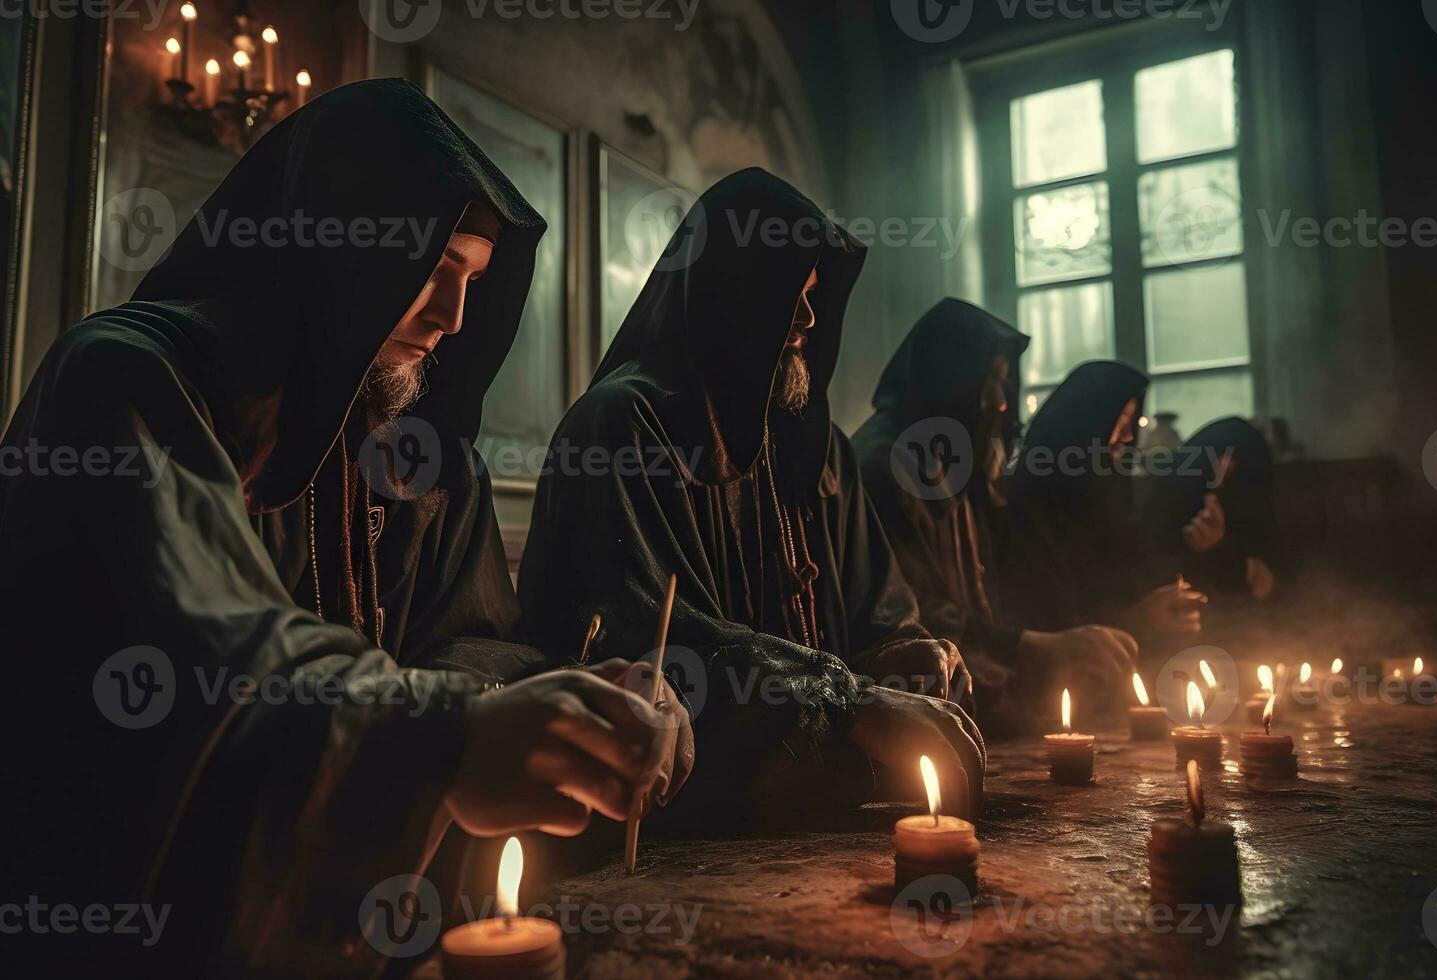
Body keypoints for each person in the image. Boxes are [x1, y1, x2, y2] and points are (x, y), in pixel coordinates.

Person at [0, 80, 689, 974]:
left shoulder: (420, 455)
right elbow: (205, 670)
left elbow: (466, 652)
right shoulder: (124, 381)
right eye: (434, 267)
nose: (452, 318)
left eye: (474, 280)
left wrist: (581, 698)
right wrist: (448, 739)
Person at [516, 169, 986, 829]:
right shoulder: (621, 426)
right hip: (682, 825)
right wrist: (846, 701)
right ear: (734, 292)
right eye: (791, 292)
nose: (808, 318)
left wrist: (904, 652)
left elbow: (877, 609)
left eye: (815, 294)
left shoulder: (812, 443)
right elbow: (650, 644)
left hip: (827, 803)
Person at [852, 300, 1137, 730]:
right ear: (951, 378)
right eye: (989, 382)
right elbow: (901, 611)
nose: (1001, 404)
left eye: (1003, 384)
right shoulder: (883, 465)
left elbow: (987, 592)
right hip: (906, 717)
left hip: (971, 703)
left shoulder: (957, 457)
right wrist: (1028, 647)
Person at [999, 361, 1210, 649]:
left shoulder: (1105, 490)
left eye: (1131, 423)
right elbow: (1047, 617)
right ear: (1086, 420)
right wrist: (1139, 620)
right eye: (1119, 422)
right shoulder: (1031, 501)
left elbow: (1127, 569)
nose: (1126, 437)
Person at [1139, 416, 1278, 602]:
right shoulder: (1171, 501)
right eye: (1217, 458)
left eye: (1234, 464)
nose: (1223, 468)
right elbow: (1147, 569)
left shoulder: (1251, 507)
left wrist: (1223, 553)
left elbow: (1266, 585)